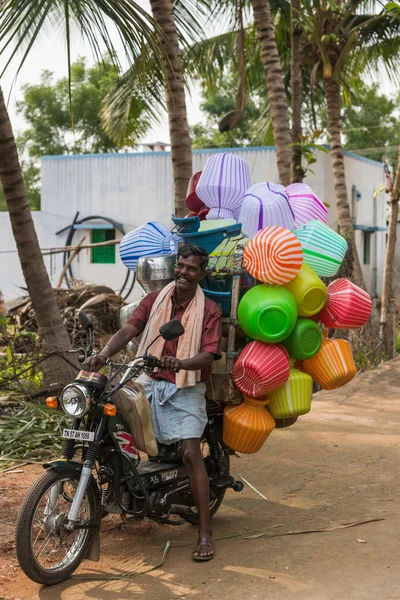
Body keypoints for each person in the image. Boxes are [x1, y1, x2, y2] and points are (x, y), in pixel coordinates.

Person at [84, 244, 222, 561]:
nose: (184, 272)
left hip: (185, 385)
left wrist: (182, 363)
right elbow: (130, 328)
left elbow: (209, 354)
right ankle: (116, 491)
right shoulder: (155, 298)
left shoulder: (210, 309)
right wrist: (103, 355)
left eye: (191, 268)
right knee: (108, 415)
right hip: (149, 377)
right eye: (181, 266)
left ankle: (204, 532)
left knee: (190, 454)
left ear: (202, 274)